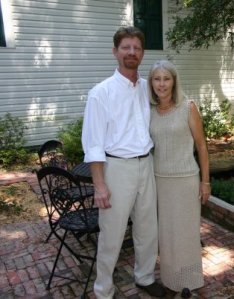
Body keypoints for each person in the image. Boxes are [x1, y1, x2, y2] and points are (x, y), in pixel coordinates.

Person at [81, 27, 166, 299]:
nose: (132, 52)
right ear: (115, 51)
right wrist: (99, 185)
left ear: (142, 53)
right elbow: (93, 144)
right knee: (112, 234)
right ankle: (103, 290)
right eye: (126, 47)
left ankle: (144, 277)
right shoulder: (101, 93)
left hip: (146, 165)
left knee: (147, 229)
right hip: (117, 168)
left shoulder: (146, 88)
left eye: (137, 48)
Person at [148, 60, 210, 293]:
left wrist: (205, 182)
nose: (161, 84)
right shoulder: (150, 111)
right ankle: (170, 279)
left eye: (166, 79)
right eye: (157, 79)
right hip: (159, 180)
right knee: (166, 233)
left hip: (185, 180)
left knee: (186, 232)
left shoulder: (188, 107)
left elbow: (202, 146)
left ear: (174, 81)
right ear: (151, 83)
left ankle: (190, 281)